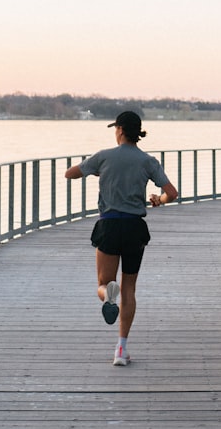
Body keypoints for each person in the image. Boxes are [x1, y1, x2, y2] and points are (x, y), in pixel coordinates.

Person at [64, 110, 178, 367]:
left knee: (104, 283)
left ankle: (107, 295)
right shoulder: (148, 161)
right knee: (130, 289)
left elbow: (70, 174)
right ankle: (121, 349)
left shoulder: (104, 156)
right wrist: (158, 200)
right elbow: (171, 192)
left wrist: (96, 168)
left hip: (109, 225)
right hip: (135, 227)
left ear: (120, 130)